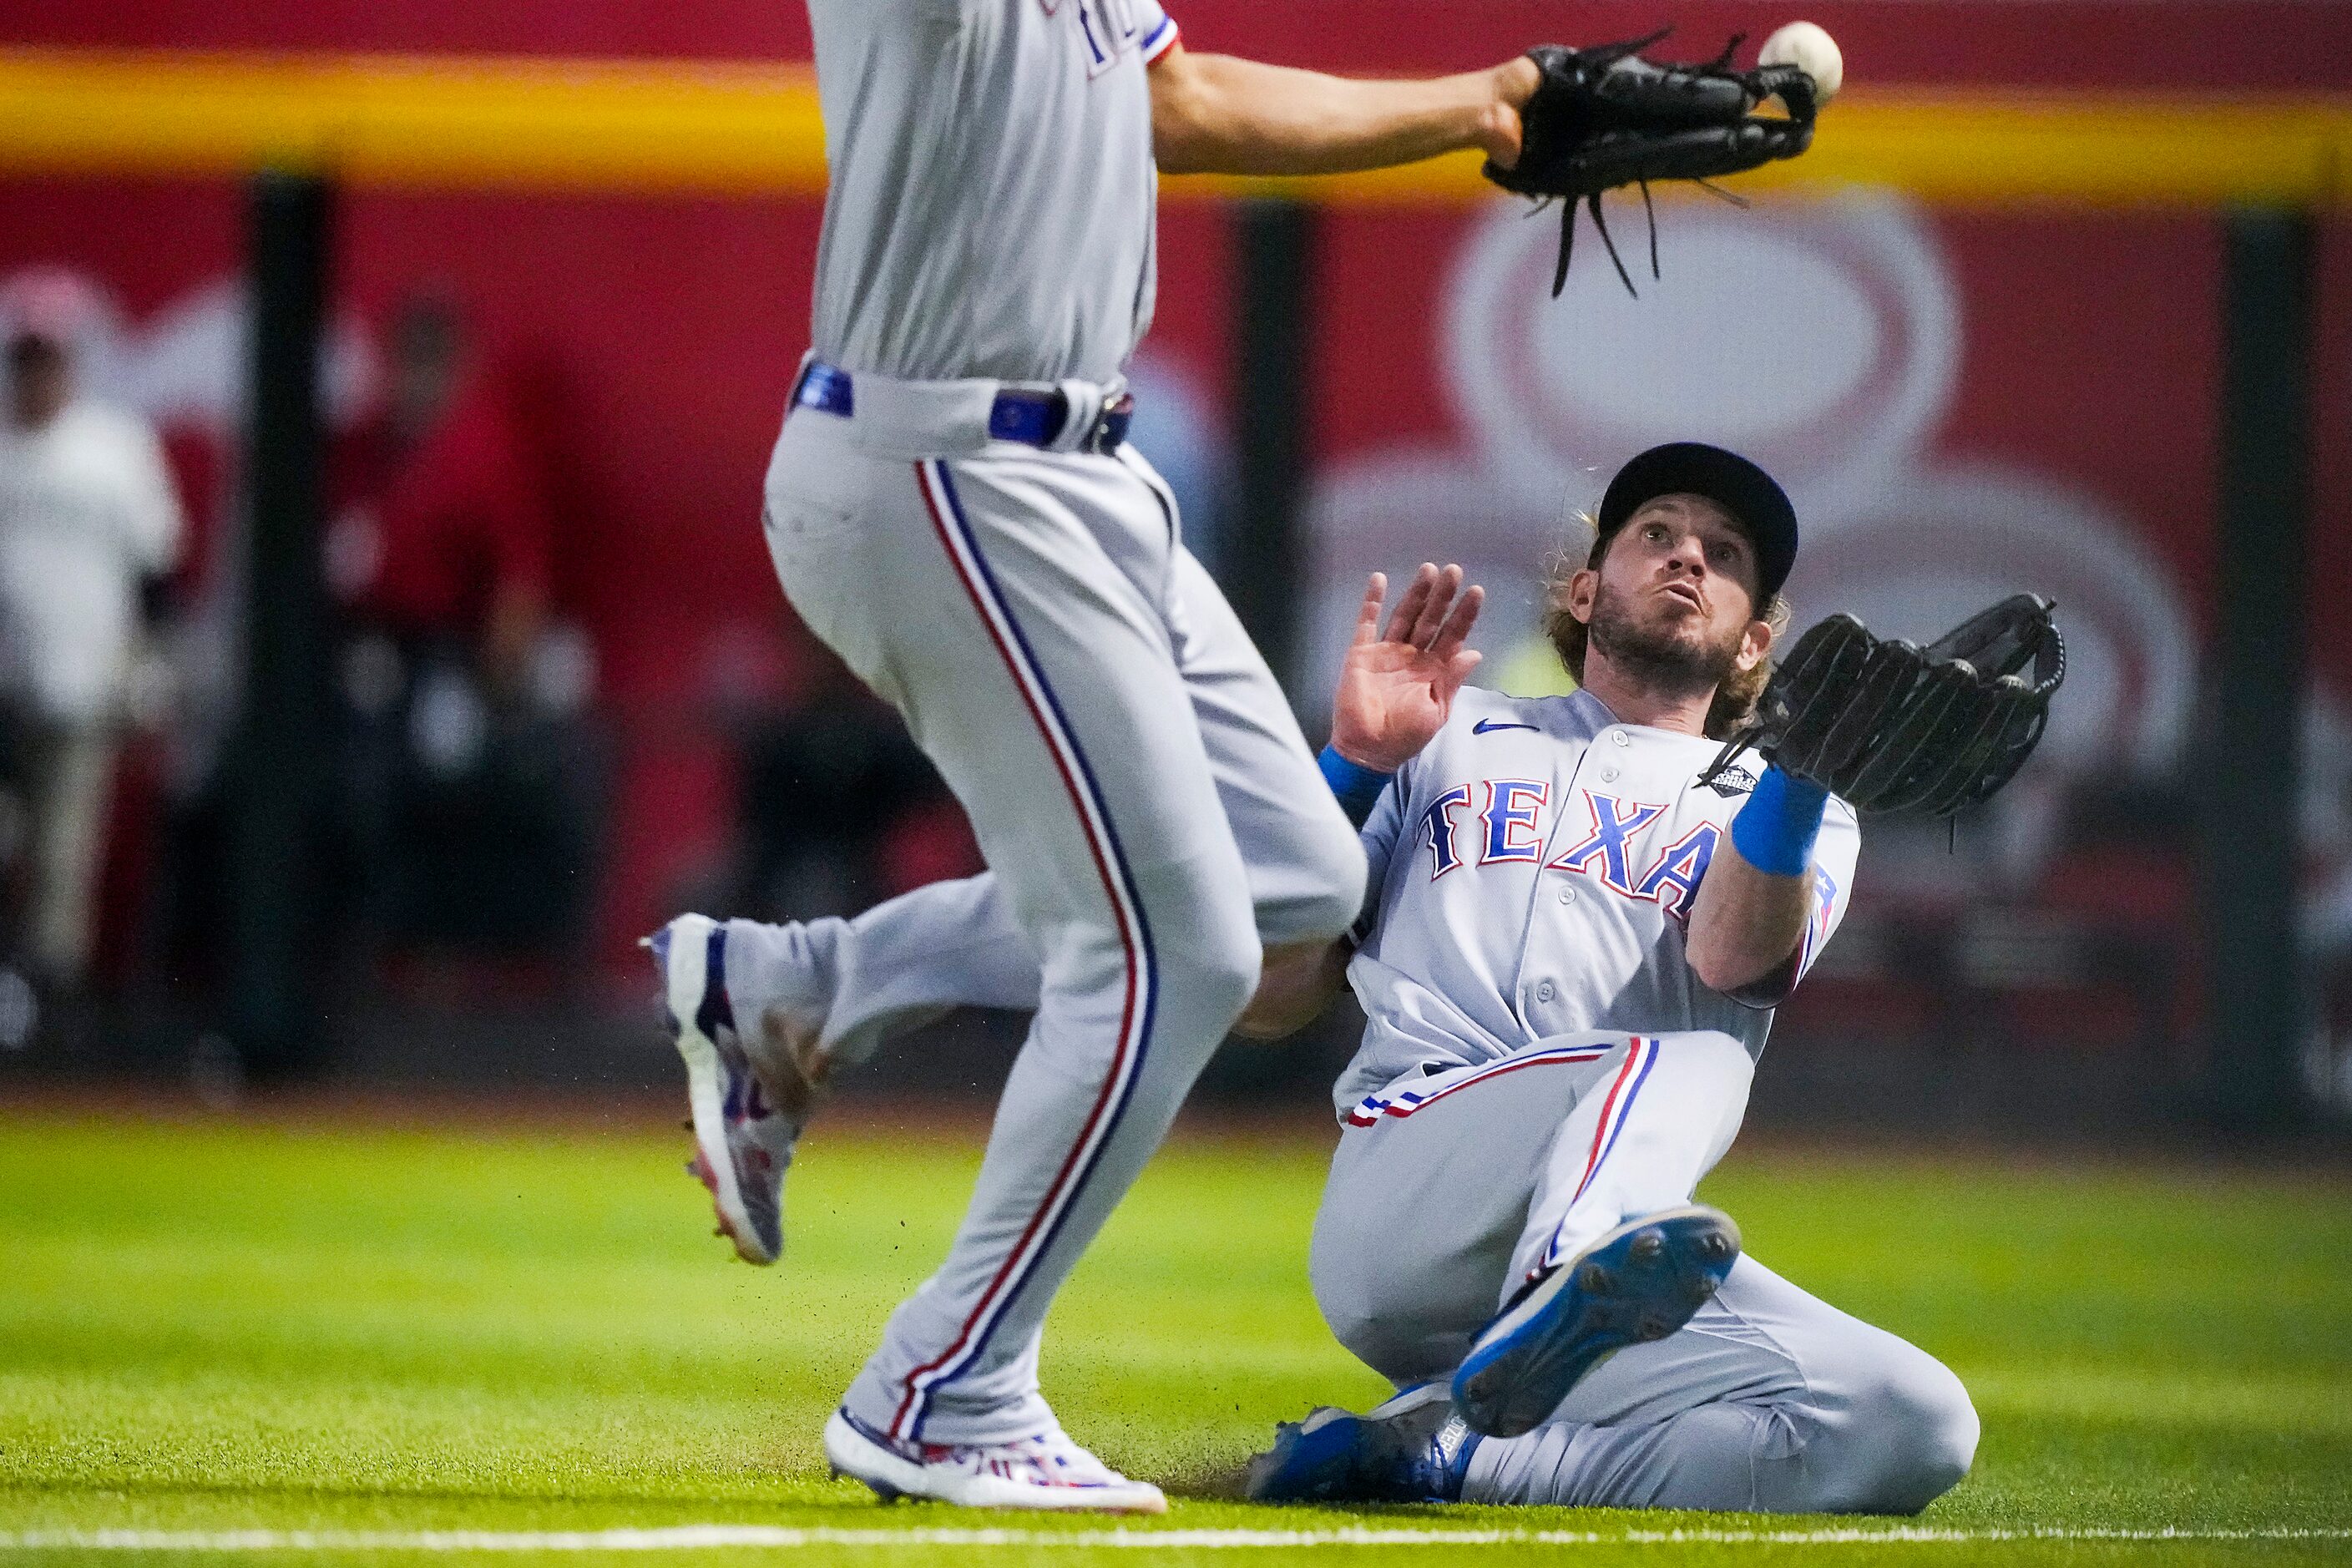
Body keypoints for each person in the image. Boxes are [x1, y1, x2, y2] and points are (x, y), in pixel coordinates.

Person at [645, 0, 1553, 1513]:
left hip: (1080, 473)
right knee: (1169, 953)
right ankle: (945, 1389)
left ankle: (801, 984)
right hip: (943, 463)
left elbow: (1179, 101)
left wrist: (1483, 103)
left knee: (1297, 878)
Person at [700, 443, 1979, 1515]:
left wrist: (1806, 777)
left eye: (1726, 551)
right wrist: (1357, 765)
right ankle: (1568, 1265)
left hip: (1615, 1261)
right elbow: (1266, 990)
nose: (1690, 554)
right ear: (1586, 588)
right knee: (1680, 1056)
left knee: (1919, 1424)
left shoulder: (1790, 810)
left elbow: (1730, 957)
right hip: (1415, 1193)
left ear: (1759, 635)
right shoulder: (1457, 736)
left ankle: (1448, 1451)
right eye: (1657, 530)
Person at [0, 272, 183, 994]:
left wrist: (149, 667)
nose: (37, 373)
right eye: (26, 357)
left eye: (49, 358)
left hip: (81, 691)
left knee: (63, 861)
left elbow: (156, 573)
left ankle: (50, 1018)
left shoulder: (113, 452)